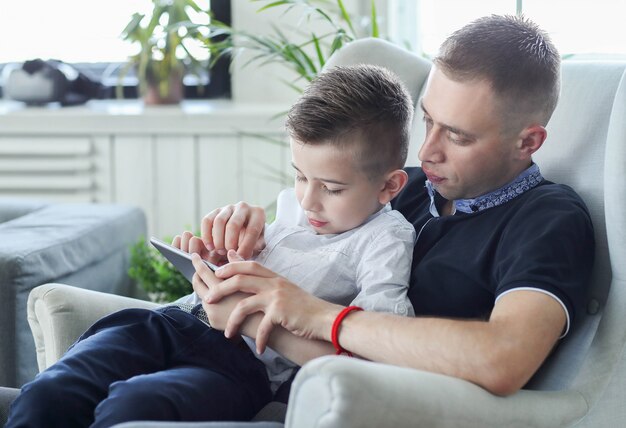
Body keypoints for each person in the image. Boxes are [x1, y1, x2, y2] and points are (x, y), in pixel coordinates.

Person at [181, 14, 595, 398]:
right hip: (275, 386)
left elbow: (504, 359)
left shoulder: (548, 218)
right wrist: (251, 238)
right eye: (428, 121)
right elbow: (310, 243)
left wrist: (313, 316)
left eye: (458, 137)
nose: (427, 151)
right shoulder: (403, 185)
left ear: (528, 142)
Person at [6, 64, 417, 426]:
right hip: (170, 323)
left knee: (136, 407)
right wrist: (219, 261)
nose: (308, 199)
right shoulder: (296, 208)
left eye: (331, 187)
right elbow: (260, 263)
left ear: (389, 185)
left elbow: (382, 349)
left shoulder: (385, 239)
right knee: (50, 393)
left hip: (240, 366)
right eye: (300, 176)